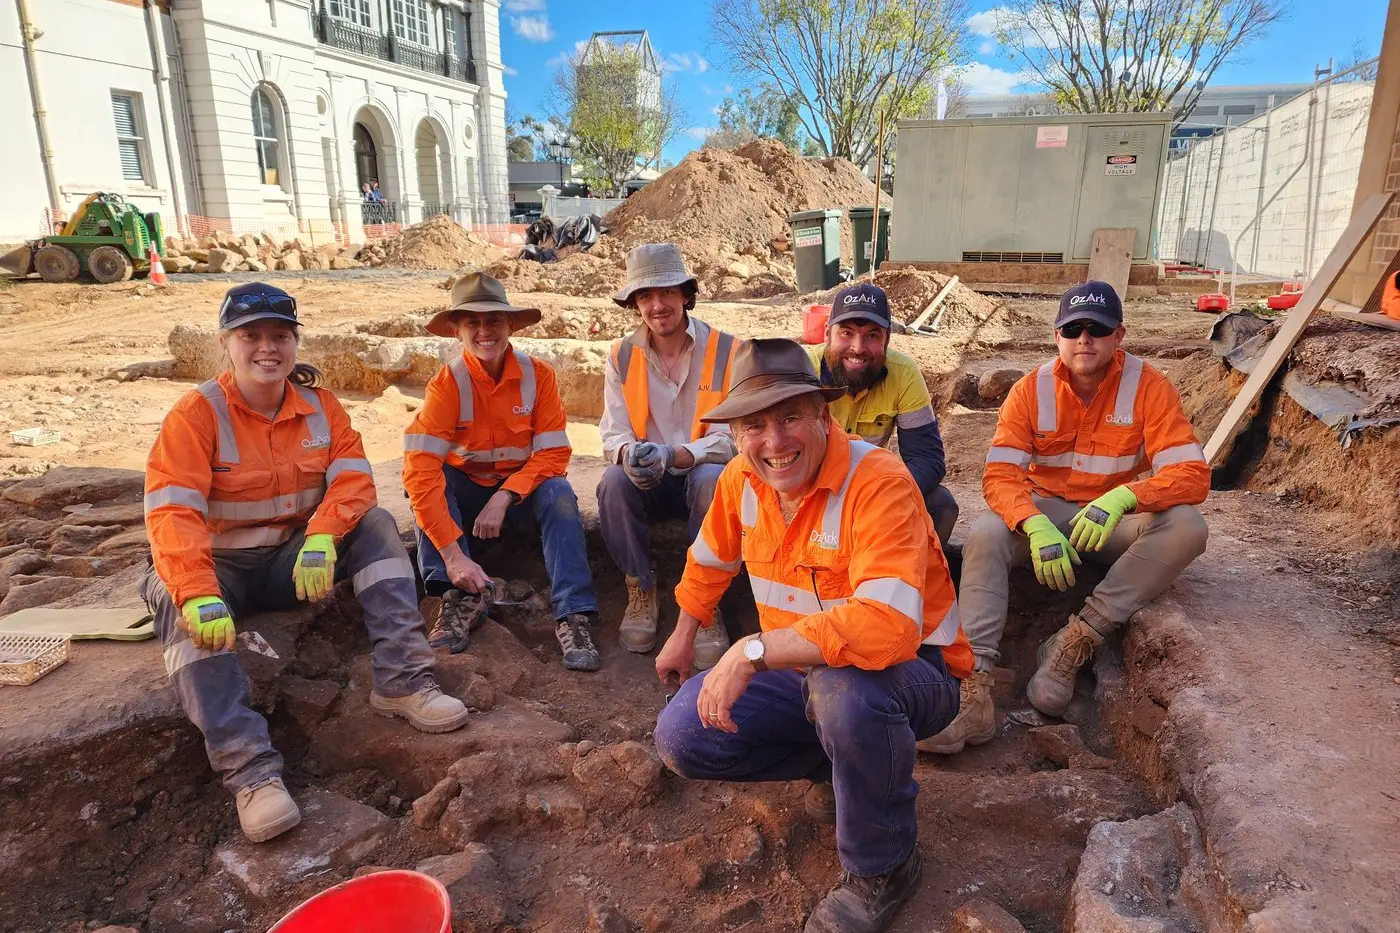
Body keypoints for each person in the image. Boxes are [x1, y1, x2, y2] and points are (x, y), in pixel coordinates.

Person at [652, 338, 973, 933]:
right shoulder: (740, 481)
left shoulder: (879, 481)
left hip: (917, 674)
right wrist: (683, 633)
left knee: (847, 695)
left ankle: (886, 866)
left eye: (790, 417)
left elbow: (887, 627)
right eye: (754, 425)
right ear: (738, 435)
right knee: (683, 737)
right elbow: (709, 561)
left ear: (823, 417)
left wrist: (750, 652)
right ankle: (848, 770)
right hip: (805, 671)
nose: (773, 442)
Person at [141, 283, 468, 844]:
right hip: (220, 568)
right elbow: (172, 513)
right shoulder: (196, 414)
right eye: (252, 336)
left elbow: (353, 480)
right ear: (228, 344)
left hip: (292, 562)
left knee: (377, 525)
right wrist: (196, 590)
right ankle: (251, 773)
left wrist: (320, 538)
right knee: (179, 607)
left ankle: (401, 680)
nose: (267, 348)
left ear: (295, 343)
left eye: (280, 336)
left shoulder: (321, 406)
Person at [920, 281, 1209, 755]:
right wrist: (1033, 525)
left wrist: (1123, 498)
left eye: (1097, 329)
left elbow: (1192, 475)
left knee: (1187, 527)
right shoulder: (1029, 391)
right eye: (1073, 329)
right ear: (1057, 335)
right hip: (1047, 511)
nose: (1085, 339)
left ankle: (1074, 640)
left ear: (1120, 335)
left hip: (1112, 519)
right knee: (989, 531)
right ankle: (973, 687)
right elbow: (999, 476)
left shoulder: (1150, 387)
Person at [404, 272, 602, 672]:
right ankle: (455, 596)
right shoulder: (446, 386)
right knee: (432, 485)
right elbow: (419, 471)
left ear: (510, 325)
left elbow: (553, 455)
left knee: (559, 493)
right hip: (467, 490)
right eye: (472, 322)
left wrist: (505, 495)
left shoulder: (538, 376)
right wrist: (454, 556)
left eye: (493, 320)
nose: (484, 331)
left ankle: (573, 616)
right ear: (457, 331)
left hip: (519, 497)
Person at [597, 243, 738, 667]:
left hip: (700, 474)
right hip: (650, 482)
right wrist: (630, 454)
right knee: (613, 483)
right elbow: (611, 433)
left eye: (666, 293)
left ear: (685, 295)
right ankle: (640, 588)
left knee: (713, 479)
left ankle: (705, 603)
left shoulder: (728, 350)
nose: (657, 305)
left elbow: (735, 438)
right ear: (636, 304)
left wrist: (675, 454)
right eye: (645, 296)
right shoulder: (622, 355)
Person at [809, 282, 958, 545]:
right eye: (846, 333)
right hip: (811, 491)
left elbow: (927, 459)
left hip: (873, 489)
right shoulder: (802, 372)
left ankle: (912, 579)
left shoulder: (904, 373)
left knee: (940, 505)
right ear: (826, 334)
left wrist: (883, 496)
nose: (858, 347)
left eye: (872, 335)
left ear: (887, 340)